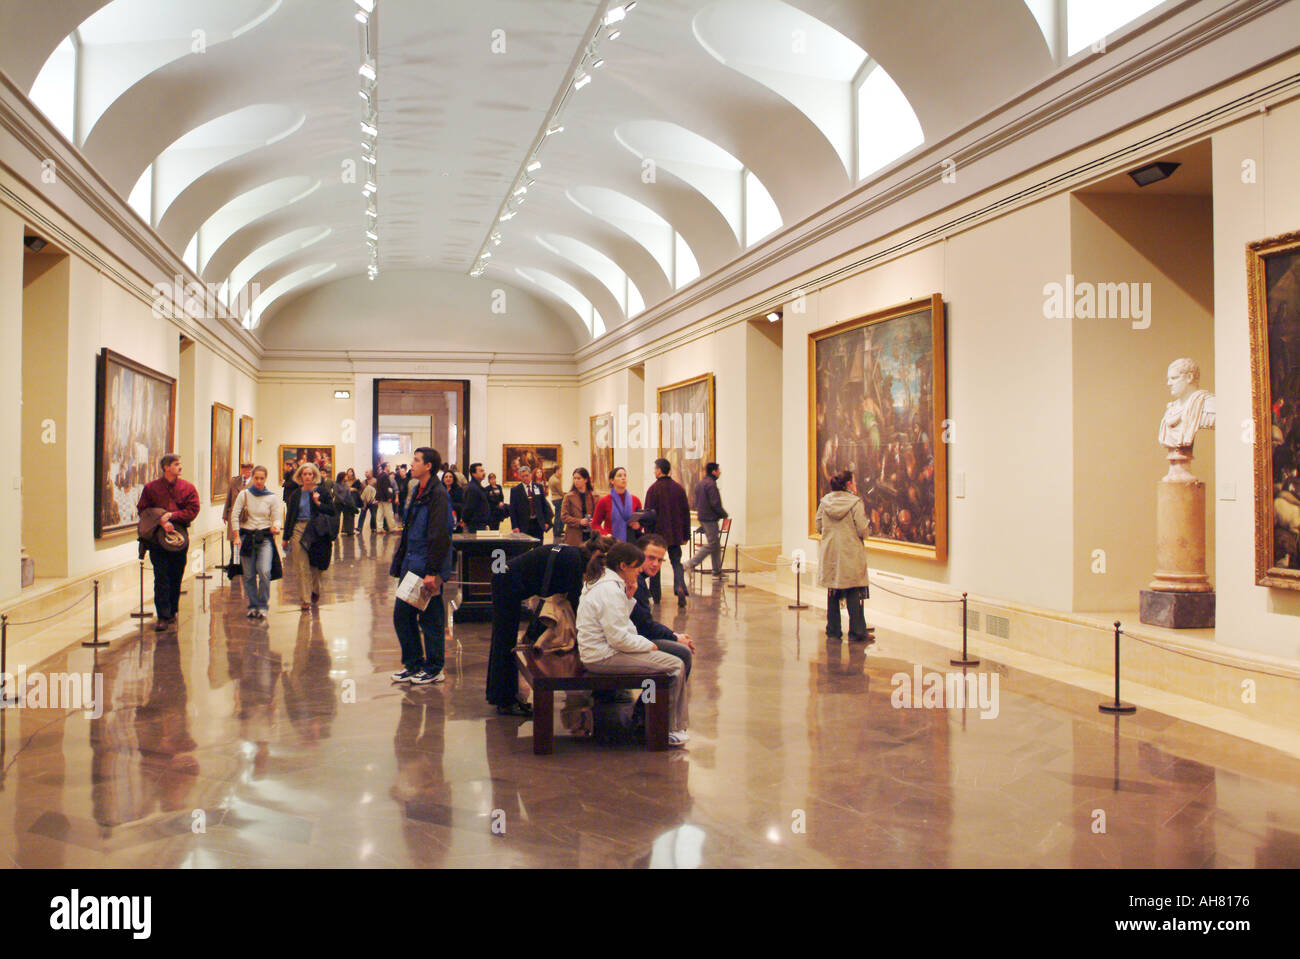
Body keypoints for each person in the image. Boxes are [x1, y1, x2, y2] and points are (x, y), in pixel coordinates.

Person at [486, 535, 616, 714]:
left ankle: (504, 697)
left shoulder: (575, 556)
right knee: (504, 642)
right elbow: (576, 601)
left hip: (509, 581)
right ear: (597, 552)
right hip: (507, 583)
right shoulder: (573, 560)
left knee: (505, 641)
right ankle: (504, 700)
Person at [576, 541, 689, 747]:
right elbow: (618, 638)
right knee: (675, 665)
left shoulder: (605, 582)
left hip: (603, 651)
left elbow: (618, 624)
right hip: (603, 656)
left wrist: (628, 598)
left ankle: (655, 721)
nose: (639, 570)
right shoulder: (609, 590)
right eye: (637, 566)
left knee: (673, 662)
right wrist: (648, 646)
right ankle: (668, 729)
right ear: (623, 566)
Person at [390, 447, 454, 686]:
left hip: (425, 565)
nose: (412, 464)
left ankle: (435, 667)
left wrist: (433, 572)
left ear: (428, 466)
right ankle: (414, 663)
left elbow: (440, 533)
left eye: (416, 460)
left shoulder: (438, 494)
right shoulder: (418, 489)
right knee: (403, 616)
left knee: (430, 618)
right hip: (412, 562)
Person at [136, 453, 200, 631]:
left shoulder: (188, 488)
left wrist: (173, 516)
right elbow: (143, 509)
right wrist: (161, 520)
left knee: (176, 575)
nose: (180, 467)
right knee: (161, 576)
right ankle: (163, 615)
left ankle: (173, 610)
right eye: (176, 464)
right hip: (158, 539)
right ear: (166, 467)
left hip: (179, 537)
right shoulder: (151, 488)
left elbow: (193, 509)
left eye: (180, 464)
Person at [815, 469, 874, 642]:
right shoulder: (855, 503)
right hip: (850, 552)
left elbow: (818, 524)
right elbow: (862, 529)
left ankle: (833, 630)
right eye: (854, 481)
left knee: (833, 592)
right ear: (848, 484)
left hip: (831, 552)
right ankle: (857, 631)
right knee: (853, 592)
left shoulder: (825, 502)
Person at [634, 534, 695, 676]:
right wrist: (675, 637)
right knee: (683, 654)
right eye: (651, 558)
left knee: (681, 650)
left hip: (635, 636)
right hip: (629, 641)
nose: (656, 564)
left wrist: (674, 635)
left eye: (660, 560)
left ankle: (659, 698)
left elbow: (645, 622)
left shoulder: (640, 580)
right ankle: (655, 699)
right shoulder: (635, 581)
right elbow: (644, 627)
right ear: (638, 555)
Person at [229, 466, 284, 619]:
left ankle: (263, 605)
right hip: (247, 537)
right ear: (252, 478)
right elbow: (235, 515)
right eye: (256, 478)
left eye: (262, 478)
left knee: (264, 571)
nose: (259, 481)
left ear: (265, 479)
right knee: (249, 575)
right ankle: (253, 605)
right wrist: (236, 535)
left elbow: (276, 517)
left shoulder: (271, 497)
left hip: (265, 537)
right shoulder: (244, 495)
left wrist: (277, 526)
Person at [282, 462, 337, 610]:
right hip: (299, 529)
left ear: (314, 476)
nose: (307, 477)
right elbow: (290, 517)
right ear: (300, 476)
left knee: (316, 568)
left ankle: (315, 589)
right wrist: (285, 537)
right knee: (301, 567)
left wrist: (318, 503)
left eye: (310, 474)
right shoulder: (296, 494)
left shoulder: (323, 492)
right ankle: (305, 600)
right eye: (304, 474)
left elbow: (332, 511)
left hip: (316, 531)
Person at [643, 458, 691, 606]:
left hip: (658, 536)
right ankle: (680, 586)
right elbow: (685, 513)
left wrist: (647, 535)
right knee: (676, 562)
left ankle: (655, 595)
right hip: (675, 535)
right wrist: (685, 535)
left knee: (654, 564)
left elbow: (648, 515)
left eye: (654, 469)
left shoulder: (653, 490)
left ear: (658, 470)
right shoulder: (679, 488)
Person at [685, 461, 727, 577]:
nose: (720, 473)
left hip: (703, 517)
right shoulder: (711, 485)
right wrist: (723, 514)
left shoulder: (700, 483)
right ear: (714, 471)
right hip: (710, 518)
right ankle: (690, 563)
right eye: (718, 470)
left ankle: (717, 570)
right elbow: (715, 503)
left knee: (715, 544)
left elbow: (696, 501)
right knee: (713, 543)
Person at [592, 466, 642, 541]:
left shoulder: (635, 500)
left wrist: (638, 525)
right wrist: (605, 534)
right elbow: (595, 524)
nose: (623, 478)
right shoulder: (604, 501)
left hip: (631, 542)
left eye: (625, 475)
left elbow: (641, 522)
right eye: (619, 476)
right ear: (612, 481)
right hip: (611, 542)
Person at [509, 467, 551, 539]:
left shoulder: (539, 487)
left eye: (527, 475)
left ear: (531, 475)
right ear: (520, 477)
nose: (525, 478)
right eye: (523, 476)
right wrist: (514, 526)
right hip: (523, 525)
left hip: (538, 523)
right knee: (525, 548)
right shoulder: (515, 490)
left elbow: (544, 505)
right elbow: (512, 510)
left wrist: (547, 521)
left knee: (538, 547)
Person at [560, 467, 597, 545]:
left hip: (590, 534)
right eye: (574, 478)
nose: (576, 481)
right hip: (574, 535)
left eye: (578, 478)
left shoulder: (594, 496)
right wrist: (579, 521)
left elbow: (598, 515)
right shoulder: (568, 497)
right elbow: (564, 517)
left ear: (585, 480)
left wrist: (593, 520)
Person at [222, 463, 254, 544]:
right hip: (234, 515)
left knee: (246, 542)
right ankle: (234, 556)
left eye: (248, 469)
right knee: (234, 542)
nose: (246, 472)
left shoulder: (255, 482)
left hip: (248, 516)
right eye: (244, 469)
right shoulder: (234, 481)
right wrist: (225, 515)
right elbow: (229, 498)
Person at [460, 463, 492, 532]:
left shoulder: (478, 487)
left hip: (480, 524)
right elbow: (469, 507)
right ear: (473, 474)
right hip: (474, 526)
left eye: (483, 470)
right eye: (481, 471)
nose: (484, 473)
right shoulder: (472, 488)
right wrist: (464, 520)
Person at [375, 463, 398, 534]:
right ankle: (392, 528)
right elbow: (386, 488)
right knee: (389, 513)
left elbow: (379, 488)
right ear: (385, 467)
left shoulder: (379, 475)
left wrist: (377, 498)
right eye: (388, 466)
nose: (389, 467)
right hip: (385, 497)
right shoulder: (385, 475)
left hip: (380, 497)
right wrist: (389, 497)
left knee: (380, 513)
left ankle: (379, 528)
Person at [547, 468, 564, 542]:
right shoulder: (556, 480)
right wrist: (565, 496)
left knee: (557, 515)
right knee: (559, 516)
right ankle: (557, 531)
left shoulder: (551, 478)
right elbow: (560, 492)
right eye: (560, 470)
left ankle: (556, 531)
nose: (561, 472)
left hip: (554, 499)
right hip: (558, 499)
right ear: (557, 471)